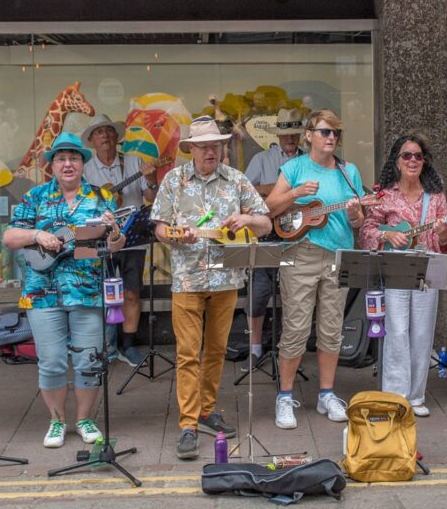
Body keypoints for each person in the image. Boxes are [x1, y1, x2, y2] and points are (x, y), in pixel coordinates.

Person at [150, 116, 272, 460]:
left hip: (226, 278)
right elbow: (159, 227)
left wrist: (247, 219)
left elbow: (265, 224)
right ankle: (188, 424)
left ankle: (207, 410)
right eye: (204, 146)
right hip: (187, 278)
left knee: (217, 350)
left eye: (215, 145)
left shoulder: (236, 180)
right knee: (188, 352)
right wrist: (174, 234)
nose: (211, 151)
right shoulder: (174, 180)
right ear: (191, 149)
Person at [4, 131, 125, 448]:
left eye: (74, 158)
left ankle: (85, 419)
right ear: (52, 165)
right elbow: (10, 237)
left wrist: (113, 231)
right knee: (52, 361)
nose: (68, 164)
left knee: (89, 360)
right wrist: (36, 236)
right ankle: (57, 421)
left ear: (83, 164)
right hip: (42, 294)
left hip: (87, 292)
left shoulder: (102, 198)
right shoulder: (36, 197)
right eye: (61, 159)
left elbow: (116, 247)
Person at [266, 109, 365, 430]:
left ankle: (326, 393)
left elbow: (359, 222)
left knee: (332, 328)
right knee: (295, 327)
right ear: (309, 135)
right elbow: (269, 209)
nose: (331, 138)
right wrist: (295, 193)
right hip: (300, 253)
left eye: (335, 133)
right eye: (325, 132)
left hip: (339, 253)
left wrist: (354, 214)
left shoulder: (349, 171)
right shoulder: (294, 167)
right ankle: (284, 397)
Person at [360, 134, 447, 417]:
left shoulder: (435, 197)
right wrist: (388, 235)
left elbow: (445, 240)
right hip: (395, 268)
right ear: (396, 161)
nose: (412, 160)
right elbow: (365, 233)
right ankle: (396, 395)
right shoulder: (384, 195)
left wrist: (445, 233)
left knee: (423, 332)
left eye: (418, 156)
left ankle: (416, 395)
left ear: (424, 162)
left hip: (427, 266)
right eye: (406, 155)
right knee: (397, 331)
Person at [81, 114, 159, 368]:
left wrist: (150, 178)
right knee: (98, 293)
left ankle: (128, 345)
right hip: (98, 240)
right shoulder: (85, 168)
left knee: (132, 293)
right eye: (98, 132)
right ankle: (102, 345)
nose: (104, 136)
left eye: (108, 131)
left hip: (131, 237)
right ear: (92, 140)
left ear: (116, 137)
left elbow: (150, 196)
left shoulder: (133, 162)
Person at [239, 108, 305, 373]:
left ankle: (290, 350)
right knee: (259, 292)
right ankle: (255, 349)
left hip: (299, 233)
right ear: (277, 134)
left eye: (294, 131)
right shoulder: (262, 158)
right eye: (285, 131)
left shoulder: (308, 160)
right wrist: (275, 190)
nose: (289, 136)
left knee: (296, 294)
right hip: (266, 232)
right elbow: (243, 190)